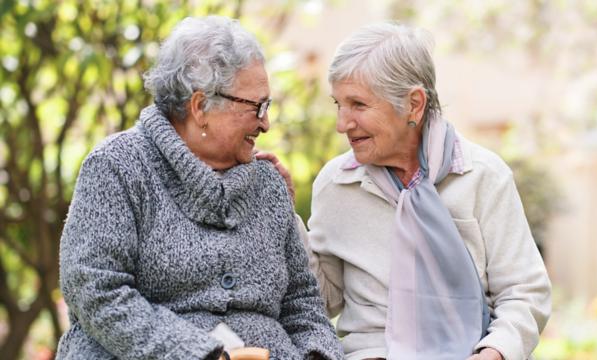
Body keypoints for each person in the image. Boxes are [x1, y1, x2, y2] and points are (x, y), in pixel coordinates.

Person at [56, 16, 344, 360]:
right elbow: (95, 289)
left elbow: (302, 303)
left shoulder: (268, 183)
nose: (265, 122)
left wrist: (316, 355)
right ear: (200, 107)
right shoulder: (116, 167)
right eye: (256, 107)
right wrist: (202, 354)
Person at [266, 22, 552, 360]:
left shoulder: (483, 176)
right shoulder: (336, 184)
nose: (342, 123)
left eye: (358, 104)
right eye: (338, 104)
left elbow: (524, 293)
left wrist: (494, 353)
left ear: (414, 104)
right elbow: (323, 300)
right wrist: (285, 216)